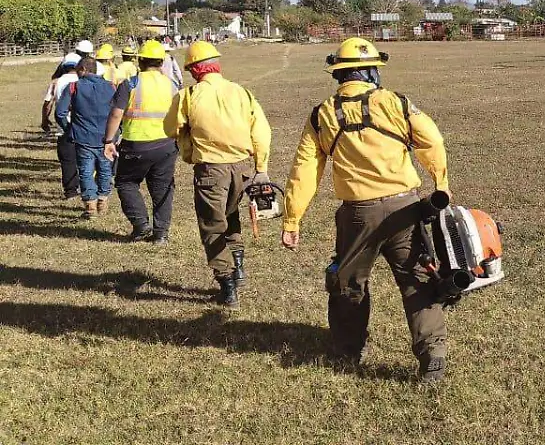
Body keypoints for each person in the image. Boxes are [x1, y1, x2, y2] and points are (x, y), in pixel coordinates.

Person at [281, 38, 453, 382]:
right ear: (372, 71)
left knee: (348, 283)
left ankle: (348, 351)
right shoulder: (396, 102)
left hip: (357, 214)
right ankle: (432, 353)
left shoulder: (322, 114)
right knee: (417, 279)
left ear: (339, 74)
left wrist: (292, 217)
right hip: (406, 208)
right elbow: (432, 139)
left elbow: (305, 169)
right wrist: (441, 184)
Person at [164, 41, 271, 307]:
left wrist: (188, 139)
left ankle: (227, 284)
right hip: (244, 168)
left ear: (193, 70)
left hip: (211, 169)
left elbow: (170, 129)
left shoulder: (187, 96)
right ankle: (239, 269)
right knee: (231, 218)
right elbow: (262, 133)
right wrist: (261, 168)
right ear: (217, 66)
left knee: (212, 226)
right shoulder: (242, 93)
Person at [103, 40, 180, 243]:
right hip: (166, 144)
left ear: (140, 61)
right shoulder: (172, 85)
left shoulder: (131, 84)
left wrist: (108, 140)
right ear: (162, 62)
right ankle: (161, 233)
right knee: (163, 188)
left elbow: (116, 114)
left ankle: (141, 225)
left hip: (136, 144)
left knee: (126, 183)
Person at [56, 58, 116, 219]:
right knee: (105, 170)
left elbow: (60, 113)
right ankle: (103, 200)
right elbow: (118, 112)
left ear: (83, 69)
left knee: (86, 171)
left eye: (78, 71)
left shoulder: (74, 87)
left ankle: (90, 205)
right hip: (106, 137)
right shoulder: (111, 86)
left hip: (83, 137)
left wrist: (69, 129)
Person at [45, 53, 82, 197]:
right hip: (82, 126)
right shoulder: (83, 80)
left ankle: (71, 191)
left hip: (64, 128)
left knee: (67, 161)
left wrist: (44, 120)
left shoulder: (56, 82)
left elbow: (48, 103)